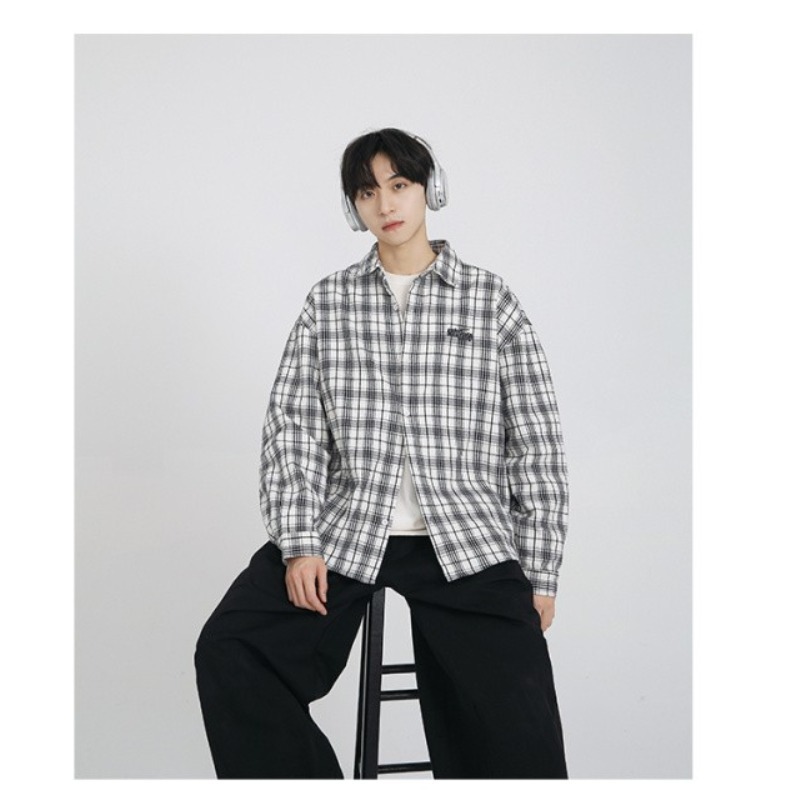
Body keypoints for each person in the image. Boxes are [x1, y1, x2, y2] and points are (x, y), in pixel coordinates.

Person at [194, 127, 570, 779]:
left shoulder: (489, 300)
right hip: (345, 533)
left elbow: (535, 441)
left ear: (429, 189)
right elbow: (293, 430)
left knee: (517, 727)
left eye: (399, 185)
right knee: (231, 650)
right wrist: (299, 543)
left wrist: (540, 571)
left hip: (468, 539)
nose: (386, 204)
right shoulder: (329, 303)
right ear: (354, 207)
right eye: (368, 192)